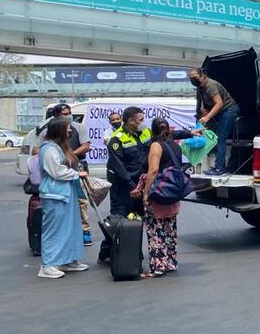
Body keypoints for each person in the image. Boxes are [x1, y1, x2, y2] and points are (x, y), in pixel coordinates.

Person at [37, 117, 90, 279]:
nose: (70, 131)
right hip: (54, 195)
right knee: (54, 230)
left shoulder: (59, 148)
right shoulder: (49, 149)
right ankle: (48, 265)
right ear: (59, 130)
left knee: (71, 228)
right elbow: (56, 171)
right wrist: (76, 173)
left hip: (65, 193)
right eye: (67, 128)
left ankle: (67, 260)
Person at [99, 106, 151, 266]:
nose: (143, 122)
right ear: (130, 121)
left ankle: (131, 250)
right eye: (140, 120)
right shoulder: (117, 139)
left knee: (136, 218)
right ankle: (106, 253)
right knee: (119, 218)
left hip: (139, 183)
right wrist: (131, 186)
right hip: (123, 185)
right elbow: (117, 166)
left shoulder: (145, 132)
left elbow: (159, 141)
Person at [39, 104, 93, 246]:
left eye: (69, 113)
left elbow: (86, 146)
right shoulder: (49, 145)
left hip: (73, 172)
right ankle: (50, 265)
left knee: (80, 204)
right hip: (56, 189)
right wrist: (65, 160)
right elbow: (55, 170)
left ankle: (84, 232)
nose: (69, 116)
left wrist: (70, 157)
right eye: (64, 114)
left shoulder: (78, 129)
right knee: (57, 227)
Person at [138, 117, 186, 277]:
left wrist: (146, 192)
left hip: (158, 193)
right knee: (170, 228)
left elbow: (153, 170)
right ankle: (170, 263)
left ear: (153, 130)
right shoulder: (175, 145)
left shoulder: (156, 146)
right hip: (172, 192)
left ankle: (158, 266)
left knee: (155, 229)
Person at [189, 68, 239, 175]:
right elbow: (203, 102)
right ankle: (218, 166)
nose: (193, 80)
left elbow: (219, 103)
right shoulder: (200, 87)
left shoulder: (210, 86)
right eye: (190, 79)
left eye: (195, 78)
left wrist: (207, 118)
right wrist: (203, 112)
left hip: (229, 109)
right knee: (213, 137)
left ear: (202, 76)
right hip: (221, 112)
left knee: (220, 138)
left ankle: (219, 168)